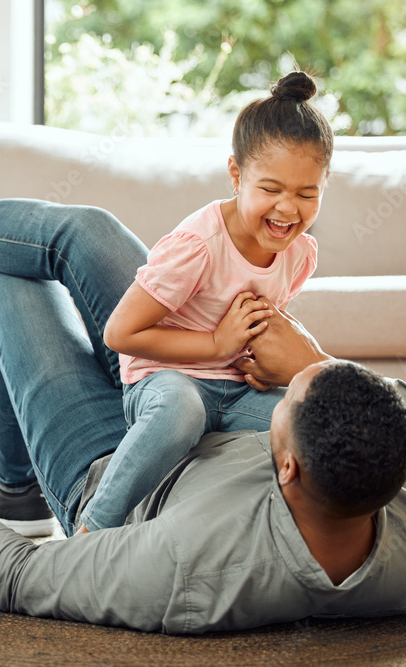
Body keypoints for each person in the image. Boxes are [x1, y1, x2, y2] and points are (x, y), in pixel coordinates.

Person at [0, 98, 406, 634]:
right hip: (180, 373)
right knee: (85, 230)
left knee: (10, 279)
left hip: (114, 471)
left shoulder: (188, 566)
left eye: (287, 399)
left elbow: (26, 577)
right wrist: (305, 359)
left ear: (287, 467)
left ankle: (22, 485)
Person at [80, 71, 332, 532]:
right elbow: (121, 335)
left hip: (237, 390)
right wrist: (218, 344)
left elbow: (267, 324)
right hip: (167, 381)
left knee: (310, 419)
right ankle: (91, 529)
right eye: (270, 189)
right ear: (236, 174)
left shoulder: (299, 253)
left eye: (306, 193)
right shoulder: (198, 245)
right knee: (183, 411)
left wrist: (264, 359)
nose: (287, 209)